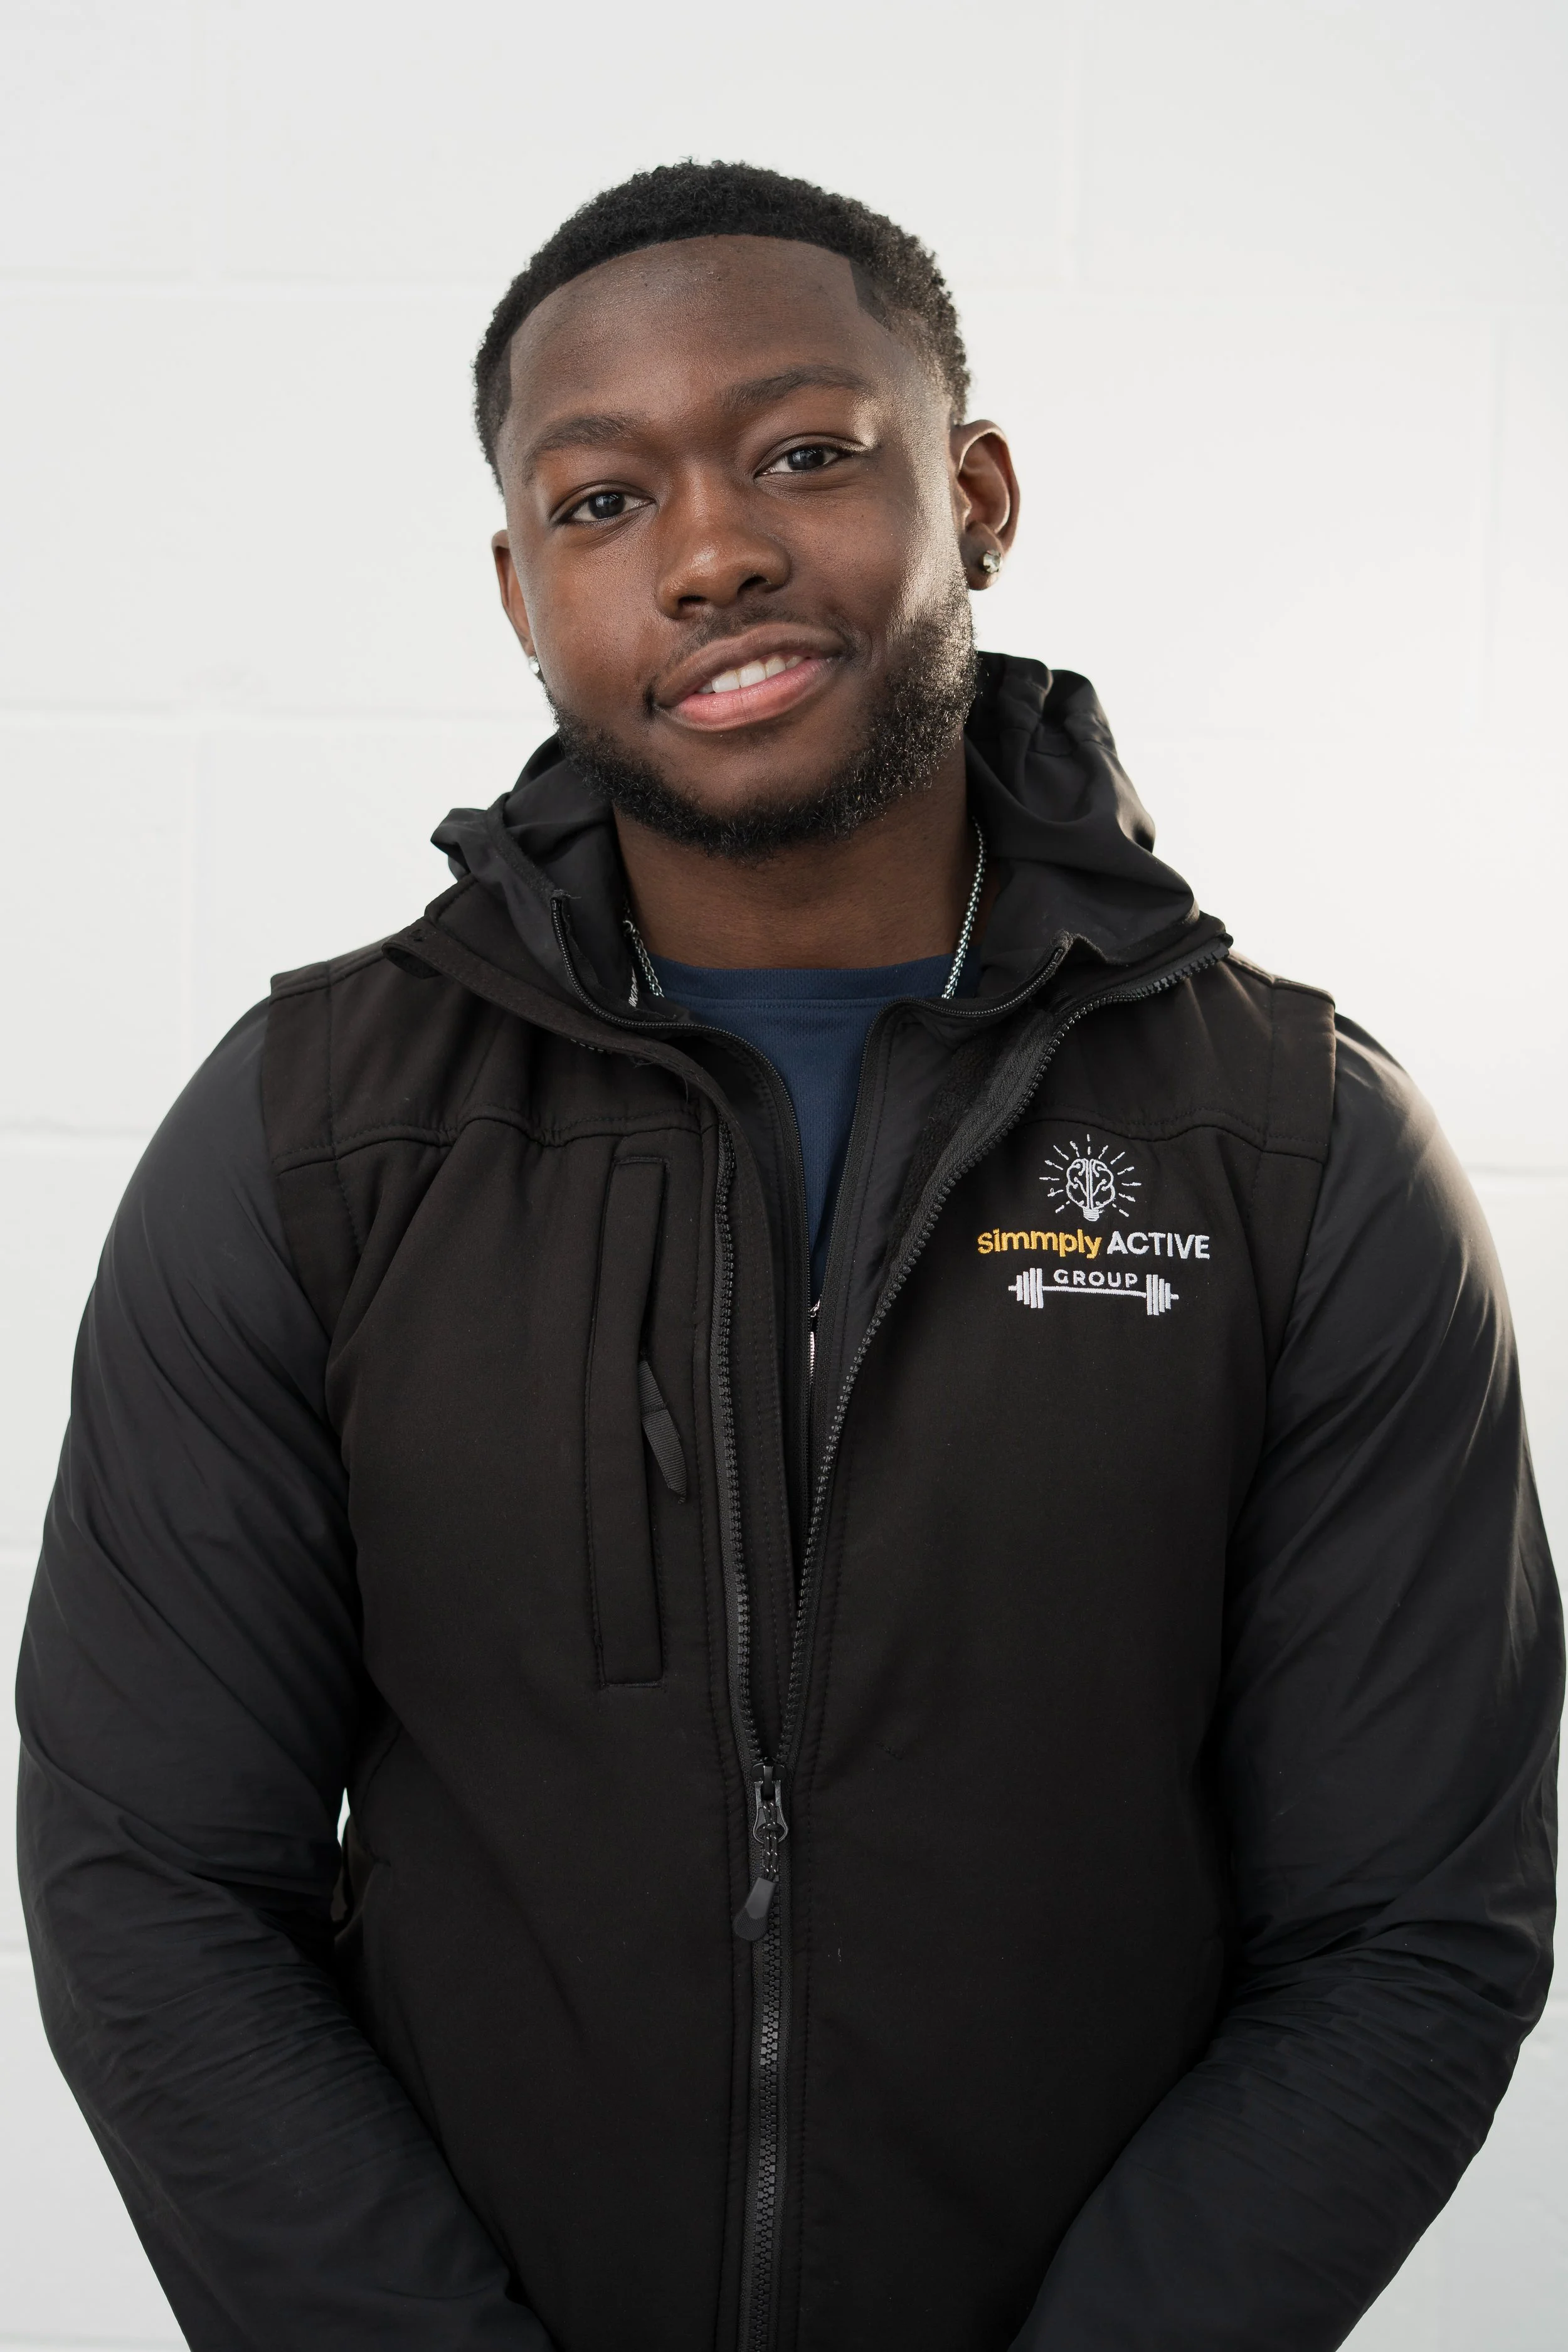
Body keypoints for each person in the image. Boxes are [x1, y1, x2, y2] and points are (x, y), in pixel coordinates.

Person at [16, 160, 1561, 2352]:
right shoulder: (308, 1136)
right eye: (599, 501)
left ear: (980, 492)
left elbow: (1410, 1925)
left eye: (805, 454)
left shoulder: (1294, 1149)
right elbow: (151, 1885)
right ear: (518, 589)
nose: (712, 549)